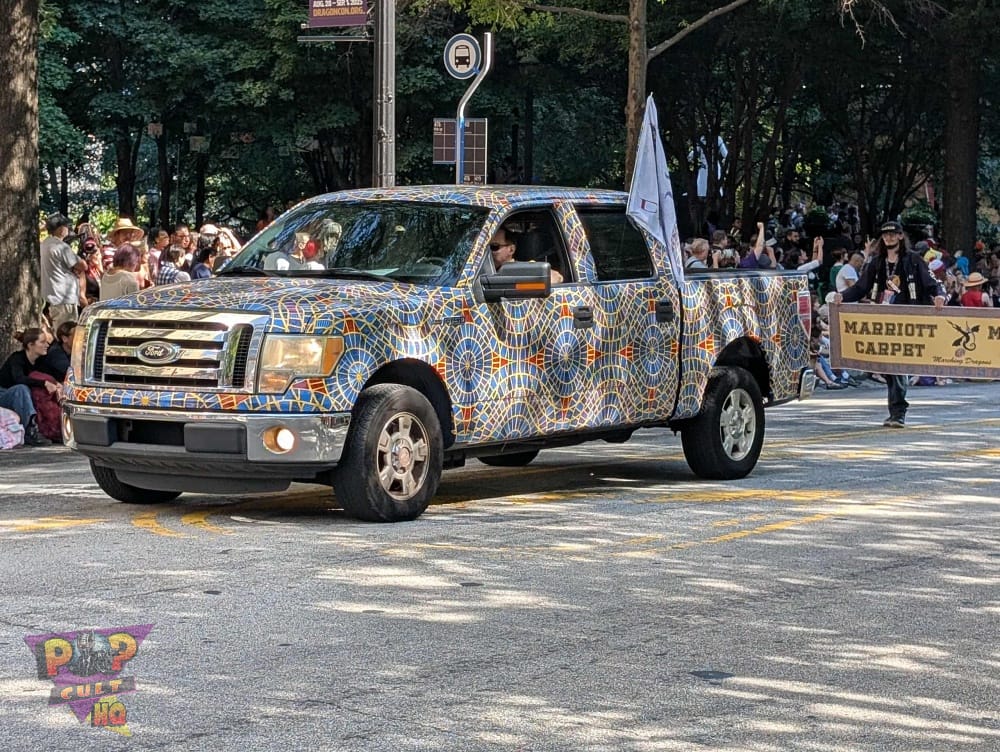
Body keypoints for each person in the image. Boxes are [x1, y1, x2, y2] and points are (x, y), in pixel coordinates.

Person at [836, 220, 945, 428]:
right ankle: (896, 410)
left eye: (893, 234)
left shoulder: (914, 260)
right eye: (886, 235)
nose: (889, 238)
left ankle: (898, 412)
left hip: (909, 321)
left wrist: (940, 297)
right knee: (888, 366)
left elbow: (934, 284)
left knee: (896, 366)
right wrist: (842, 297)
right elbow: (860, 288)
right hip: (884, 321)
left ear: (901, 236)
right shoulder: (876, 263)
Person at [0, 329, 58, 444]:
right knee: (21, 389)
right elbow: (19, 378)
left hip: (21, 400)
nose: (47, 345)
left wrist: (58, 384)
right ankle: (29, 430)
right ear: (31, 345)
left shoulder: (40, 361)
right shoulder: (17, 359)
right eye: (42, 342)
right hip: (4, 394)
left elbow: (53, 374)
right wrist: (44, 383)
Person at [40, 213, 86, 330]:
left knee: (59, 332)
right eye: (66, 226)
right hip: (65, 298)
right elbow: (83, 266)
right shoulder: (61, 246)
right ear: (60, 229)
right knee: (68, 334)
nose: (68, 229)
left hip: (53, 297)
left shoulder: (44, 244)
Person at [489, 227, 563, 283]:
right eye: (486, 248)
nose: (489, 251)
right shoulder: (483, 270)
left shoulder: (522, 269)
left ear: (511, 249)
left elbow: (557, 277)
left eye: (494, 247)